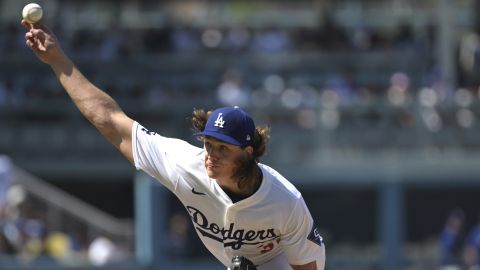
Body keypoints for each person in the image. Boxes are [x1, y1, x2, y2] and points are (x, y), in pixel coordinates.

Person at [21, 20, 326, 270]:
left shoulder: (284, 200)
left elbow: (307, 267)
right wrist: (57, 59)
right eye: (208, 144)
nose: (211, 156)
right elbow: (110, 120)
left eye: (223, 149)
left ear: (248, 153)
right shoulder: (184, 163)